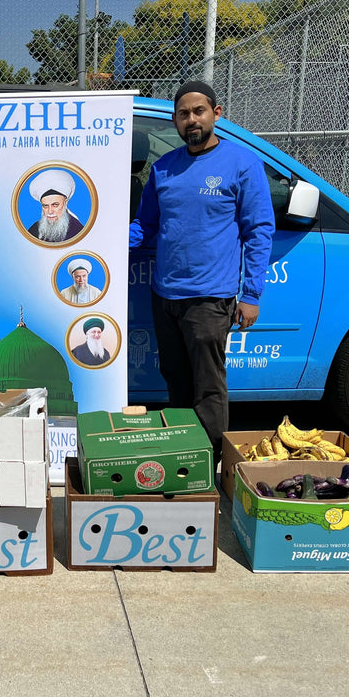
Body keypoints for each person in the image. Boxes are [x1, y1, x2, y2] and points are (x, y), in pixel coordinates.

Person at [129, 80, 274, 465]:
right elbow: (145, 226)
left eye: (199, 111)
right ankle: (183, 456)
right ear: (175, 120)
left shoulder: (242, 164)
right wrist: (98, 241)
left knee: (208, 388)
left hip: (211, 298)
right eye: (183, 114)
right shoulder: (163, 169)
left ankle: (209, 465)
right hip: (165, 296)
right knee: (175, 380)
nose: (191, 120)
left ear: (216, 114)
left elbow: (258, 230)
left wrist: (251, 295)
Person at [27, 167, 84, 243]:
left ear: (65, 203)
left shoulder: (78, 231)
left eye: (55, 205)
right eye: (45, 206)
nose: (50, 211)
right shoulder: (33, 230)